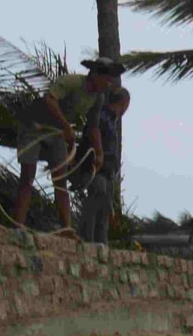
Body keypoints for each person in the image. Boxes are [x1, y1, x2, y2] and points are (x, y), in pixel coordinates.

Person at [11, 57, 122, 230]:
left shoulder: (98, 98)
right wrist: (66, 127)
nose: (108, 83)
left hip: (57, 134)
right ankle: (18, 225)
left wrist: (99, 153)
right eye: (106, 78)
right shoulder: (72, 82)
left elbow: (93, 127)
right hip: (34, 126)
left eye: (110, 80)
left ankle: (66, 229)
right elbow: (50, 100)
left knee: (60, 181)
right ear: (94, 74)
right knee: (28, 175)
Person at [72, 85, 129, 244]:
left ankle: (101, 245)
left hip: (107, 172)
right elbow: (91, 137)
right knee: (96, 199)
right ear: (123, 103)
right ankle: (85, 238)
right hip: (96, 169)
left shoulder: (111, 120)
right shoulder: (102, 117)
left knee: (104, 212)